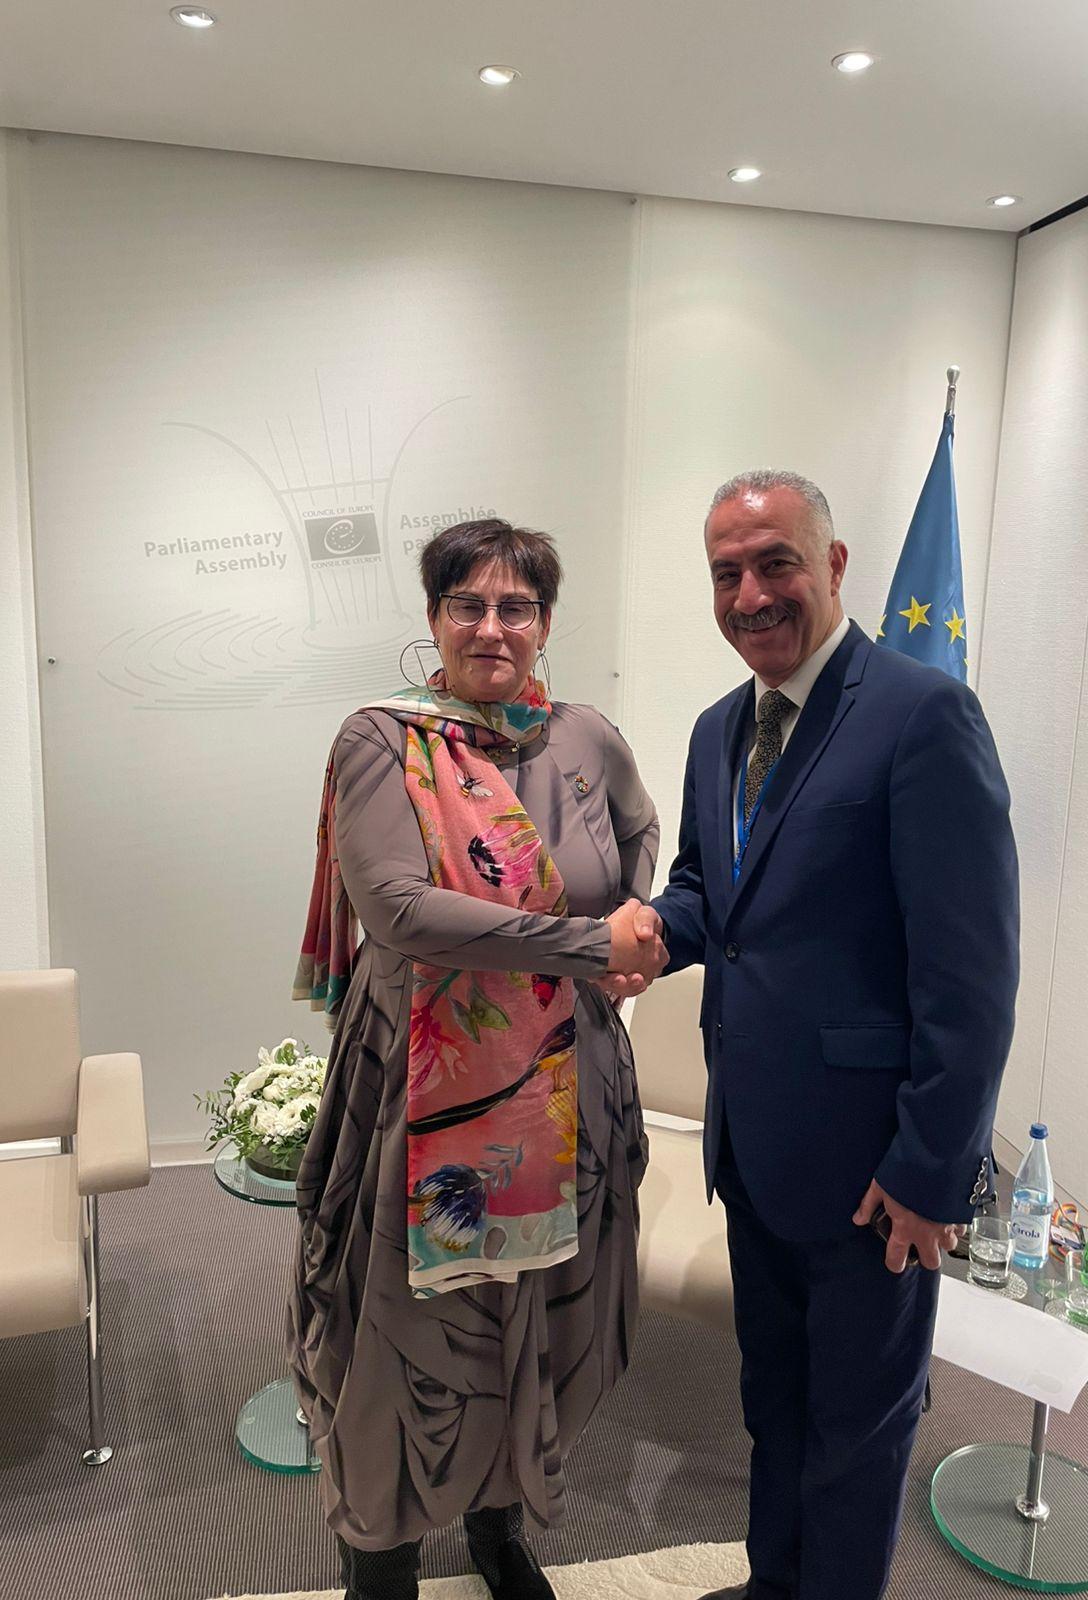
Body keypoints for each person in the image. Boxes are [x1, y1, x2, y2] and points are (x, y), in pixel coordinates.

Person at [627, 470, 1019, 1600]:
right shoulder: (717, 730)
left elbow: (971, 977)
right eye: (726, 574)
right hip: (752, 1152)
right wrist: (652, 930)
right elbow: (713, 889)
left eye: (776, 564)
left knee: (858, 1431)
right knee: (777, 1405)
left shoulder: (923, 714)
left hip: (873, 1177)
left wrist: (931, 1173)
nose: (751, 595)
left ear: (834, 565)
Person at [288, 518, 666, 1600]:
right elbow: (400, 911)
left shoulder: (585, 738)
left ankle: (499, 1525)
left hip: (567, 1089)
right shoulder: (382, 742)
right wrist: (593, 946)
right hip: (424, 1088)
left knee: (537, 1311)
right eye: (469, 604)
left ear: (545, 623)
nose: (492, 626)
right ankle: (383, 1557)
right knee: (408, 1328)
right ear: (434, 618)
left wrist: (638, 916)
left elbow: (641, 832)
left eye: (517, 607)